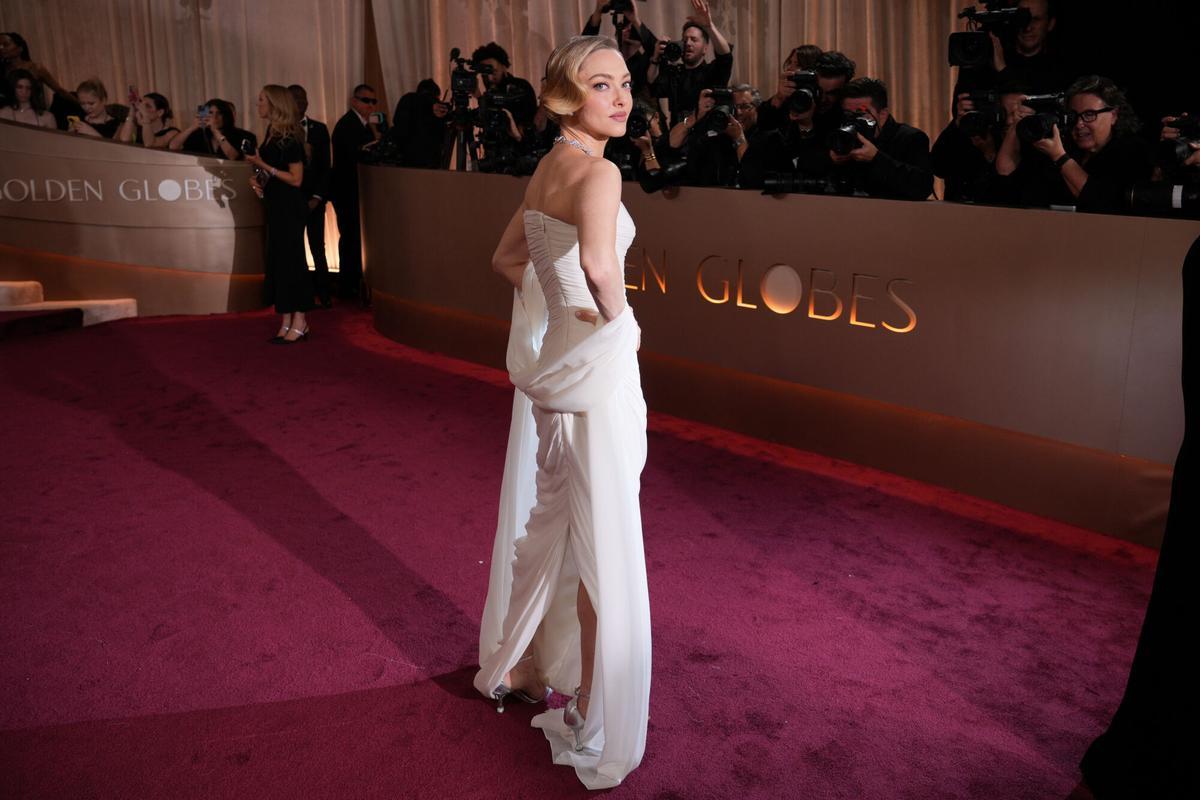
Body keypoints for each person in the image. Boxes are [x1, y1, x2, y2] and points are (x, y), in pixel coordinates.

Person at [474, 34, 650, 791]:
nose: (621, 97)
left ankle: (530, 669)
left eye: (625, 82)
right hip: (596, 376)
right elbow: (602, 267)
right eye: (601, 84)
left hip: (559, 378)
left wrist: (558, 322)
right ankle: (589, 707)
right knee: (602, 531)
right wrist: (615, 326)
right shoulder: (599, 174)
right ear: (568, 95)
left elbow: (509, 262)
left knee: (570, 520)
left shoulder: (550, 165)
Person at [997, 75, 1154, 213]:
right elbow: (1005, 173)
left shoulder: (1132, 149)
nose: (1079, 124)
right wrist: (1016, 125)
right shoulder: (1063, 145)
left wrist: (1060, 157)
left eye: (1089, 115)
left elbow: (1100, 202)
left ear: (1113, 115)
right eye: (1073, 116)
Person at [242, 84, 312, 344]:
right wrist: (258, 178)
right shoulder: (272, 133)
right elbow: (274, 171)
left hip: (290, 207)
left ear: (274, 104)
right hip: (275, 205)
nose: (257, 104)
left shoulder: (290, 137)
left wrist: (262, 166)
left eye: (261, 100)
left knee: (292, 263)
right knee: (279, 263)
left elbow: (296, 179)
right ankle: (286, 318)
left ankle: (301, 319)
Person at [829, 76, 934, 200]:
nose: (853, 120)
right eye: (848, 114)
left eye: (861, 114)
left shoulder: (911, 138)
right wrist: (833, 160)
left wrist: (876, 158)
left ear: (882, 114)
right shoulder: (841, 136)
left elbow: (922, 188)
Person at [330, 83, 382, 302]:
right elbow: (352, 158)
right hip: (347, 191)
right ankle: (348, 285)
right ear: (354, 101)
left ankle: (352, 284)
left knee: (353, 239)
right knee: (350, 238)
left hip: (354, 191)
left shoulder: (361, 125)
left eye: (373, 101)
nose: (370, 105)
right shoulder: (347, 125)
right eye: (365, 100)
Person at [648, 0, 733, 128]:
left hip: (705, 137)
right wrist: (655, 58)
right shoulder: (675, 73)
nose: (688, 43)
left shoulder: (712, 72)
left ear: (705, 48)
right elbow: (653, 85)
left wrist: (709, 26)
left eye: (694, 40)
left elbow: (725, 56)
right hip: (677, 138)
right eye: (685, 40)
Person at [288, 84, 332, 308]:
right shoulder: (280, 130)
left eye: (304, 98)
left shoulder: (320, 129)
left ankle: (324, 293)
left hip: (314, 199)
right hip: (291, 199)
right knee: (295, 248)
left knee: (318, 247)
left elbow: (326, 167)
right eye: (296, 99)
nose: (302, 102)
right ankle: (302, 294)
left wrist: (317, 197)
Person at [390, 78, 449, 169]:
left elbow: (397, 122)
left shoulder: (407, 99)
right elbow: (443, 135)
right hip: (430, 164)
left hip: (404, 161)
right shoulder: (437, 107)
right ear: (436, 95)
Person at [170, 98, 255, 159]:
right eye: (210, 113)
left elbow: (232, 156)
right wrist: (192, 127)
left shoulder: (239, 135)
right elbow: (173, 147)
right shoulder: (200, 134)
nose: (215, 117)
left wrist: (215, 131)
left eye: (219, 113)